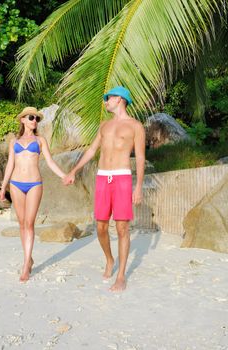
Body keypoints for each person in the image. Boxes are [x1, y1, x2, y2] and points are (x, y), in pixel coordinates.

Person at [63, 86, 145, 292]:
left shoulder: (135, 126)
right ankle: (109, 259)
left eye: (108, 98)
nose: (105, 101)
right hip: (102, 178)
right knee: (100, 227)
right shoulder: (104, 126)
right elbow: (91, 150)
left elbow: (141, 157)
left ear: (119, 99)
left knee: (122, 228)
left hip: (122, 178)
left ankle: (121, 275)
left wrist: (139, 187)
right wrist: (74, 170)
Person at [0, 106, 66, 282]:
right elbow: (10, 165)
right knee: (22, 224)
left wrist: (64, 175)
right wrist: (3, 186)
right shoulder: (14, 141)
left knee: (29, 223)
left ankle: (26, 263)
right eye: (31, 117)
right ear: (22, 120)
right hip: (16, 184)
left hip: (35, 184)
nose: (34, 121)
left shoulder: (41, 140)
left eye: (36, 118)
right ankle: (28, 258)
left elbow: (50, 162)